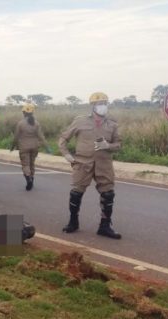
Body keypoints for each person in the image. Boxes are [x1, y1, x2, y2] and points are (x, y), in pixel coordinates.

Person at [58, 92, 122, 239]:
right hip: (82, 163)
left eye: (105, 103)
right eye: (100, 104)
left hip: (104, 164)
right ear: (93, 106)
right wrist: (67, 155)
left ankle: (105, 226)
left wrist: (108, 146)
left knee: (108, 194)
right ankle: (73, 222)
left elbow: (119, 144)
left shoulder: (112, 124)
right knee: (76, 193)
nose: (103, 106)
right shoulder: (80, 121)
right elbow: (63, 138)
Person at [11, 103, 51, 190]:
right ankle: (32, 180)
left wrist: (12, 146)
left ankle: (28, 179)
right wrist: (47, 147)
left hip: (24, 147)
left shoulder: (20, 123)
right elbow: (41, 136)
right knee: (32, 164)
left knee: (26, 165)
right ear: (32, 113)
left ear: (24, 113)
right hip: (35, 147)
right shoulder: (36, 123)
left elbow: (16, 137)